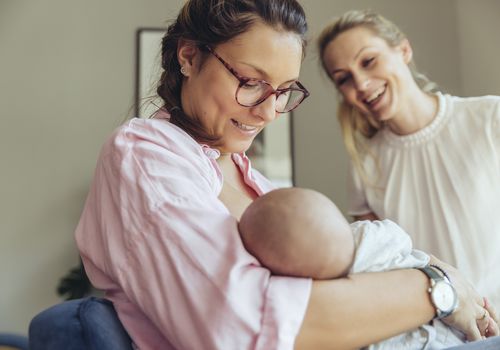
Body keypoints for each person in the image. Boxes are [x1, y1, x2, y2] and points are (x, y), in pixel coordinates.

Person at [74, 1, 498, 349]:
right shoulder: (145, 156)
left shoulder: (258, 185)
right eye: (250, 81)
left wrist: (437, 274)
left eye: (283, 91)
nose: (268, 112)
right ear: (189, 56)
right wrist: (438, 289)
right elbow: (244, 327)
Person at [318, 10, 500, 311]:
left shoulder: (490, 118)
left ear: (403, 50)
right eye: (345, 79)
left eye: (368, 61)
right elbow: (382, 270)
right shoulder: (365, 164)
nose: (361, 84)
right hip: (433, 334)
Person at [239, 187, 499, 349]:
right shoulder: (308, 299)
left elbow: (418, 257)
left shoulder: (370, 239)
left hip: (450, 323)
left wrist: (443, 277)